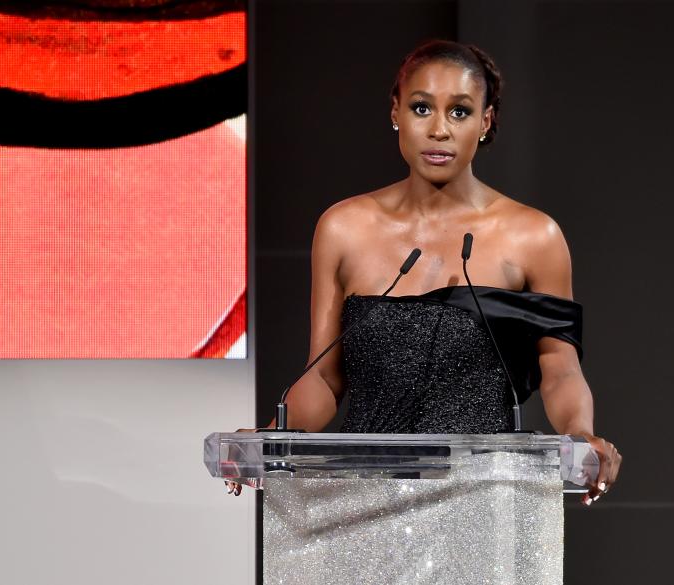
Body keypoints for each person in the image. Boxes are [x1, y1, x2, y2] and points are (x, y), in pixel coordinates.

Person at [234, 40, 620, 505]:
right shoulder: (343, 228)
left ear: (486, 121)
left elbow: (559, 370)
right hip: (362, 500)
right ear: (396, 112)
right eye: (421, 108)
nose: (439, 130)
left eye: (459, 112)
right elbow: (323, 377)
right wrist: (270, 438)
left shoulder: (534, 236)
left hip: (483, 500)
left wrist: (580, 434)